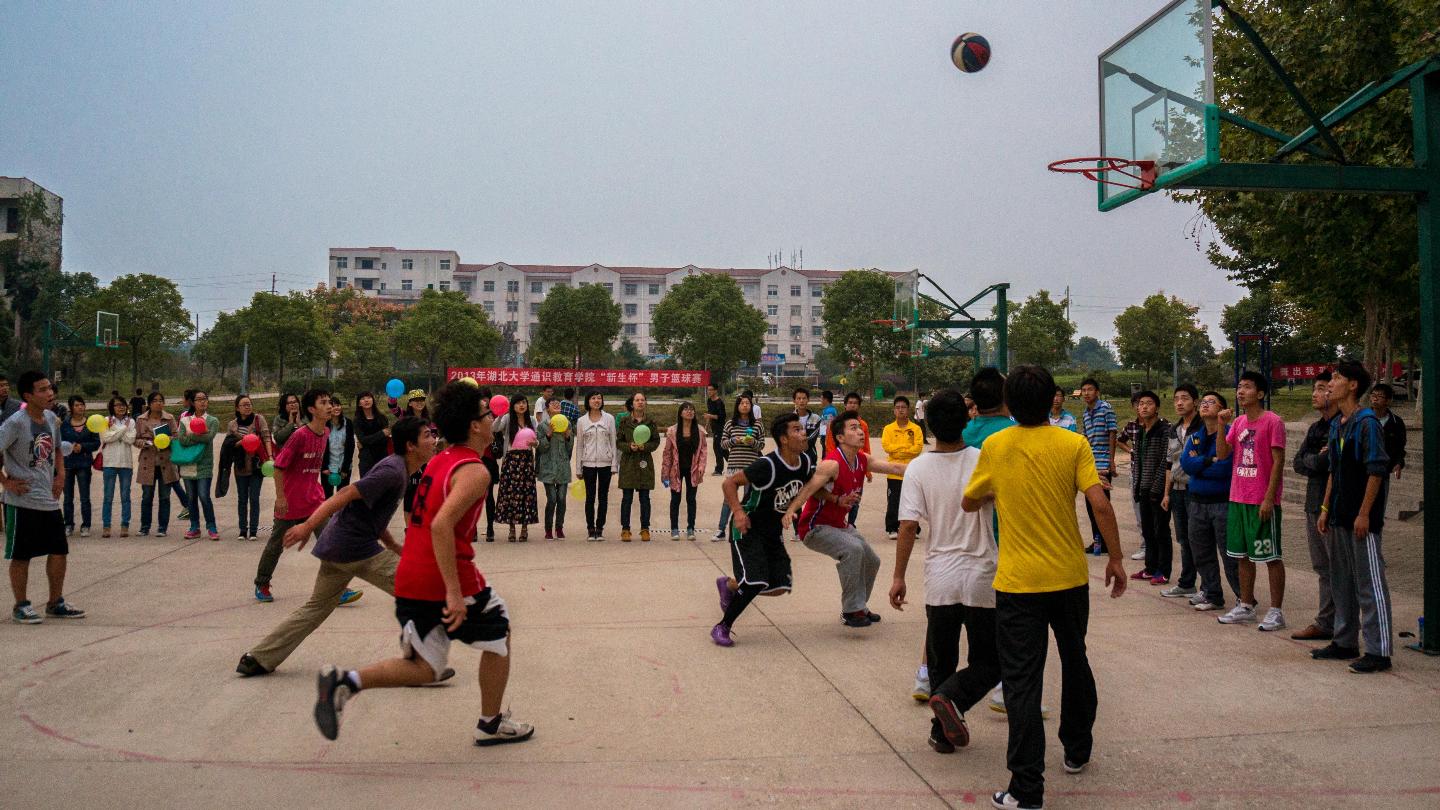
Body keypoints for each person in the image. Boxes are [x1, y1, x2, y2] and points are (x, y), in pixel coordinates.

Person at [312, 381, 535, 747]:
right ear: (474, 426)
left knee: (425, 668)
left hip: (411, 577)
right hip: (445, 577)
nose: (491, 419)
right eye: (486, 414)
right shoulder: (474, 471)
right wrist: (454, 593)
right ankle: (490, 723)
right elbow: (441, 525)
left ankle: (344, 681)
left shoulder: (439, 460)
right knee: (500, 634)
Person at [959, 365, 1125, 810]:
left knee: (1022, 682)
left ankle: (1026, 787)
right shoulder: (1073, 442)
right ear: (1053, 398)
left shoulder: (996, 445)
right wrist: (1115, 558)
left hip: (1018, 584)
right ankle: (1077, 748)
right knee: (1075, 659)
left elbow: (969, 501)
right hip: (1069, 577)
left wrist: (994, 491)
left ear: (1010, 402)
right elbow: (1099, 502)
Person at [237, 417, 439, 677]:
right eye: (427, 436)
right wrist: (308, 525)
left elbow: (372, 514)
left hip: (337, 546)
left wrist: (392, 544)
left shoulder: (398, 469)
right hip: (355, 549)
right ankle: (421, 663)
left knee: (315, 609)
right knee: (420, 592)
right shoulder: (392, 471)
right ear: (411, 445)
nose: (434, 440)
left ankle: (258, 658)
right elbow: (345, 494)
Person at [889, 389, 1001, 755]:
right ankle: (954, 698)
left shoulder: (918, 468)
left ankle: (941, 732)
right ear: (967, 421)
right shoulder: (983, 460)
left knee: (941, 659)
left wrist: (898, 576)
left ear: (928, 426)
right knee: (990, 661)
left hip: (940, 577)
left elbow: (908, 526)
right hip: (983, 574)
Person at [784, 409, 909, 628]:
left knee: (872, 560)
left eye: (860, 427)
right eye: (854, 428)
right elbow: (809, 488)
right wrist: (791, 510)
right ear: (840, 437)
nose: (860, 432)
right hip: (815, 528)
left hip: (840, 525)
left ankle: (859, 606)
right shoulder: (831, 464)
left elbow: (895, 467)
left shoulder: (862, 459)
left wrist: (930, 468)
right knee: (854, 550)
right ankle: (851, 611)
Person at [1313, 361, 1395, 673]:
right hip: (1338, 516)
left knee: (1369, 583)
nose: (1330, 384)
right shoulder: (1338, 424)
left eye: (1336, 378)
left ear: (1353, 385)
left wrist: (1364, 513)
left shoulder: (1367, 423)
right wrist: (1325, 509)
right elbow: (1333, 471)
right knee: (1342, 582)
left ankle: (1379, 650)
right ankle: (1344, 640)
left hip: (1362, 521)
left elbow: (1377, 471)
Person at [710, 413, 814, 646]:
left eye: (802, 429)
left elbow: (812, 487)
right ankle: (722, 627)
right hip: (748, 528)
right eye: (797, 430)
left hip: (772, 532)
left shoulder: (805, 462)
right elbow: (729, 483)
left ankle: (730, 585)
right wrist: (738, 512)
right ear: (784, 439)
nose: (803, 434)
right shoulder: (767, 465)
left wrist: (837, 500)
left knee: (779, 587)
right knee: (755, 581)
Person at [254, 389, 361, 606]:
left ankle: (338, 589)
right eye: (324, 403)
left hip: (314, 500)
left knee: (330, 541)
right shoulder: (300, 435)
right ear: (311, 409)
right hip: (290, 501)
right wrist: (281, 497)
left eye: (330, 402)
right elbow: (278, 468)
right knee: (276, 545)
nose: (329, 406)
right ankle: (262, 583)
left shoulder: (326, 432)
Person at [4, 371, 86, 624]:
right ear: (28, 396)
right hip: (22, 501)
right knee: (21, 555)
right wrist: (6, 482)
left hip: (48, 500)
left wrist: (60, 475)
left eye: (50, 388)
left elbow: (57, 449)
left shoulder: (51, 418)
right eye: (42, 390)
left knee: (59, 550)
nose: (49, 393)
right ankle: (21, 605)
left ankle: (55, 602)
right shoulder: (15, 423)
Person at [1215, 371, 1288, 631]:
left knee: (1270, 556)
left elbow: (1278, 461)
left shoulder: (1273, 421)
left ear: (1260, 393)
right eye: (1239, 387)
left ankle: (1276, 611)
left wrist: (1269, 498)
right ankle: (1246, 605)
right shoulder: (1238, 423)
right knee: (1242, 555)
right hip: (1238, 498)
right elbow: (1222, 454)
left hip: (1262, 501)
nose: (1240, 391)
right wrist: (1221, 424)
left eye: (1246, 387)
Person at [1179, 391, 1240, 612]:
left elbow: (1224, 467)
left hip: (1222, 502)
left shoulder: (1230, 433)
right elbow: (1186, 464)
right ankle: (1212, 593)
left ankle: (1243, 597)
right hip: (1196, 502)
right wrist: (1208, 460)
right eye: (1203, 402)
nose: (1205, 405)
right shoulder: (1196, 436)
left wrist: (1201, 463)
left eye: (1212, 402)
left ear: (1223, 409)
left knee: (1229, 553)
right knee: (1201, 552)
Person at [1290, 373, 1338, 640]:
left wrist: (1316, 460)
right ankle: (1326, 622)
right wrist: (1314, 459)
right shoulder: (1316, 428)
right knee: (1322, 567)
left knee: (1338, 568)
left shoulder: (1343, 425)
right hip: (1313, 503)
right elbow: (1298, 462)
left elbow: (1327, 463)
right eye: (1314, 388)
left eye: (1321, 388)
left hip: (1333, 507)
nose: (1314, 394)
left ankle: (1342, 625)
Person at [1160, 384, 1203, 599]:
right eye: (1176, 398)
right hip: (1177, 490)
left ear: (1195, 402)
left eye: (1184, 398)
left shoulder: (1203, 427)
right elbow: (1170, 463)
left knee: (1200, 539)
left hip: (1196, 490)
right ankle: (1187, 583)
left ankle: (1208, 586)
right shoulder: (1174, 430)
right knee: (1184, 539)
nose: (1179, 402)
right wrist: (1166, 493)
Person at [1127, 391, 1172, 585]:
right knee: (1147, 530)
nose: (1144, 407)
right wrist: (1137, 487)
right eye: (1141, 404)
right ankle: (1150, 568)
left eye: (1149, 403)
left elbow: (1165, 461)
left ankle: (1163, 571)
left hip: (1158, 490)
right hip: (1143, 489)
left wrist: (1157, 488)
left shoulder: (1165, 430)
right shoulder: (1141, 431)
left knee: (1160, 531)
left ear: (1157, 407)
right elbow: (1137, 461)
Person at [135, 393, 188, 538]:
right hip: (148, 462)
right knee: (147, 497)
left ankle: (162, 527)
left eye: (161, 401)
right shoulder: (141, 419)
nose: (158, 403)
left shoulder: (169, 418)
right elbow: (136, 439)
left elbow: (177, 437)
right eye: (155, 401)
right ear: (149, 404)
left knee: (164, 497)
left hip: (166, 462)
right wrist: (144, 443)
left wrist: (166, 439)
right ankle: (144, 527)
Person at [715, 394, 764, 540]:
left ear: (751, 406)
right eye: (742, 403)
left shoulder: (757, 425)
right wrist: (733, 441)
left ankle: (749, 530)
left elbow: (761, 445)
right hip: (734, 466)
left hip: (751, 467)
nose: (745, 405)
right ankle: (721, 530)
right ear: (737, 406)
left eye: (747, 403)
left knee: (749, 500)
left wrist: (752, 442)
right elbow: (723, 444)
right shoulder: (730, 424)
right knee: (728, 499)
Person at [1079, 379, 1118, 555]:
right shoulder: (1085, 413)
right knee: (1090, 505)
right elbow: (1086, 438)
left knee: (1102, 504)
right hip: (1091, 463)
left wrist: (1112, 460)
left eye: (1090, 389)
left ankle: (1107, 541)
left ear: (1097, 392)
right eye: (1084, 390)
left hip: (1103, 462)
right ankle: (1097, 541)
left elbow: (1112, 433)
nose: (1086, 393)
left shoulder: (1106, 408)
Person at [493, 394, 539, 542]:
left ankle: (524, 528)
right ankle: (511, 529)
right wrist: (500, 415)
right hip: (511, 460)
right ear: (512, 406)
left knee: (526, 494)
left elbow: (536, 440)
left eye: (524, 402)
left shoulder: (531, 420)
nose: (521, 405)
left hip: (526, 460)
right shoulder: (507, 419)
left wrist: (535, 444)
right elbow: (494, 428)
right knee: (510, 495)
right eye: (518, 403)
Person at [227, 394, 272, 542]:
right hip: (240, 466)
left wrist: (270, 456)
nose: (247, 407)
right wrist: (243, 442)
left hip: (256, 465)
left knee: (254, 498)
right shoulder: (232, 425)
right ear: (237, 408)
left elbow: (266, 437)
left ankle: (253, 531)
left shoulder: (259, 420)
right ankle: (242, 530)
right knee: (242, 499)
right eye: (244, 405)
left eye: (249, 404)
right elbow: (228, 445)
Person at [574, 390, 618, 542]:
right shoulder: (581, 421)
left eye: (599, 398)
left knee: (603, 497)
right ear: (588, 401)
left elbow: (613, 442)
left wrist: (614, 465)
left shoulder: (609, 419)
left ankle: (600, 528)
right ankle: (590, 528)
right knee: (590, 497)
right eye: (593, 398)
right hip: (588, 464)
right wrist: (578, 468)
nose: (596, 400)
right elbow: (580, 445)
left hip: (606, 463)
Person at [617, 392, 660, 541]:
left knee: (645, 498)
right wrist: (629, 446)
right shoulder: (624, 421)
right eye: (637, 400)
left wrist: (645, 447)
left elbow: (656, 441)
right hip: (628, 463)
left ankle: (645, 529)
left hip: (644, 463)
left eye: (642, 400)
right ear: (632, 403)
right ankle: (625, 529)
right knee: (627, 498)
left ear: (645, 403)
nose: (640, 402)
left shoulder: (651, 422)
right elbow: (618, 442)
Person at [178, 390, 220, 540]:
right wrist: (199, 435)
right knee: (191, 498)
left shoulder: (212, 420)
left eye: (205, 399)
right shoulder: (185, 420)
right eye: (199, 399)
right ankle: (194, 527)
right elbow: (182, 440)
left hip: (204, 465)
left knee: (204, 496)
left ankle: (211, 527)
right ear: (193, 402)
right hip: (188, 464)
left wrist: (191, 435)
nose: (202, 401)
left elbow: (209, 438)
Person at [881, 395, 924, 541]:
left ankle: (914, 528)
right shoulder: (888, 429)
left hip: (911, 471)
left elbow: (917, 448)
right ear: (894, 410)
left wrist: (898, 450)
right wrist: (906, 449)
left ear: (908, 409)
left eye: (903, 407)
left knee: (913, 502)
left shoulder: (916, 428)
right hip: (893, 472)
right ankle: (892, 527)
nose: (900, 410)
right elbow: (887, 447)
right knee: (893, 501)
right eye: (897, 407)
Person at [661, 401, 706, 540]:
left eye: (691, 409)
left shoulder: (699, 431)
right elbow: (667, 453)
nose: (689, 411)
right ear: (680, 413)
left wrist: (701, 466)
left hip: (693, 470)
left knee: (691, 499)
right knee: (675, 499)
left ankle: (691, 528)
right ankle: (674, 528)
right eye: (686, 409)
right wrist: (665, 473)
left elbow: (703, 451)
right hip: (676, 470)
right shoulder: (672, 431)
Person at [99, 395, 138, 538]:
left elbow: (130, 439)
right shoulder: (105, 420)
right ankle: (106, 525)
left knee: (125, 496)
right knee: (108, 496)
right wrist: (123, 429)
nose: (121, 407)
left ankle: (125, 525)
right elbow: (106, 438)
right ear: (112, 407)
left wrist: (115, 430)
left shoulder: (131, 421)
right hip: (109, 463)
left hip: (126, 464)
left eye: (123, 405)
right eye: (117, 405)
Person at [60, 395, 98, 537]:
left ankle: (86, 525)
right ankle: (68, 524)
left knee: (84, 497)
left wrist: (82, 447)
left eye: (82, 404)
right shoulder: (64, 424)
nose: (80, 407)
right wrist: (70, 447)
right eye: (76, 405)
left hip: (84, 463)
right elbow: (59, 442)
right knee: (68, 497)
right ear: (71, 407)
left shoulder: (91, 423)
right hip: (67, 463)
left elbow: (96, 443)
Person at [535, 398, 573, 539]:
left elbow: (569, 449)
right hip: (548, 467)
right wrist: (548, 435)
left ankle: (559, 527)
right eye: (553, 403)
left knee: (561, 498)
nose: (556, 405)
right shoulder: (542, 426)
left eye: (558, 403)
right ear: (547, 409)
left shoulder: (567, 424)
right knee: (551, 499)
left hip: (562, 467)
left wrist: (568, 437)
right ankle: (548, 529)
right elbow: (541, 448)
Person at [1368, 383, 1406, 479]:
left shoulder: (1396, 422)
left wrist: (1398, 463)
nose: (1375, 399)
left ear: (1388, 401)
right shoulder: (1363, 419)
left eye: (1380, 396)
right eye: (1373, 395)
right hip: (1364, 468)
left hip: (1384, 470)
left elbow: (1400, 446)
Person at [321, 394, 355, 499]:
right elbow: (321, 447)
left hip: (343, 466)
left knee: (342, 498)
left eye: (338, 405)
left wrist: (345, 469)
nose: (336, 408)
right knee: (327, 497)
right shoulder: (324, 424)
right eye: (333, 406)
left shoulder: (348, 423)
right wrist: (324, 467)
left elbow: (350, 446)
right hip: (328, 467)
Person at [353, 392, 390, 479]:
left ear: (373, 400)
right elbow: (363, 440)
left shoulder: (382, 418)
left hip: (382, 458)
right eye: (363, 399)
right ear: (359, 404)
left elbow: (385, 438)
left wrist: (367, 441)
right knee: (366, 485)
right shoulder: (357, 420)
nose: (366, 400)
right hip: (366, 460)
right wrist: (381, 433)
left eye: (368, 397)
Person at [792, 387, 822, 460]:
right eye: (798, 398)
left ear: (808, 400)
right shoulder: (789, 419)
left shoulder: (816, 419)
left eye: (804, 398)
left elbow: (812, 439)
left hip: (810, 457)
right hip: (794, 457)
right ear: (794, 401)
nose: (801, 401)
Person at [705, 383, 728, 475]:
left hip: (720, 428)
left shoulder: (719, 402)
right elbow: (709, 414)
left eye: (711, 390)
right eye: (708, 390)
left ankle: (719, 469)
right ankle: (735, 465)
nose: (709, 391)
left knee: (717, 448)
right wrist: (706, 426)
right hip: (714, 428)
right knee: (723, 449)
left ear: (715, 391)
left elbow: (722, 417)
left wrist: (710, 416)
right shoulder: (709, 401)